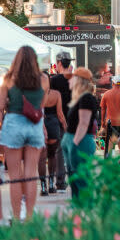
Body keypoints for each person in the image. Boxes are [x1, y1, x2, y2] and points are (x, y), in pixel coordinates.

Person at [0, 46, 45, 220]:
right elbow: (41, 105)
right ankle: (29, 217)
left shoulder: (9, 79)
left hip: (14, 123)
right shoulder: (43, 79)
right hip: (35, 125)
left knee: (15, 175)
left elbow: (1, 106)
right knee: (31, 173)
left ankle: (17, 217)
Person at [61, 66, 98, 199]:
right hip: (74, 141)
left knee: (81, 179)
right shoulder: (79, 99)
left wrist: (74, 143)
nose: (69, 81)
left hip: (80, 142)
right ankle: (78, 208)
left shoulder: (86, 99)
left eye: (72, 78)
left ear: (79, 81)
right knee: (74, 179)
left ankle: (85, 208)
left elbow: (83, 123)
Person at [48, 50, 73, 192]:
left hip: (58, 118)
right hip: (74, 119)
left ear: (58, 63)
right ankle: (77, 179)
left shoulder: (54, 80)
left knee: (59, 151)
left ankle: (60, 182)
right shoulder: (76, 79)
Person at [38, 72, 66, 196]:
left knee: (42, 158)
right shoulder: (56, 94)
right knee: (52, 156)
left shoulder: (36, 95)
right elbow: (60, 114)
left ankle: (43, 187)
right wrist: (65, 126)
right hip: (54, 124)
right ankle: (51, 185)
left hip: (40, 124)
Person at [100, 75, 120, 155]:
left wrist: (102, 121)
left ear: (113, 83)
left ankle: (108, 158)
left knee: (109, 140)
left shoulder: (106, 94)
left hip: (110, 121)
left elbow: (103, 109)